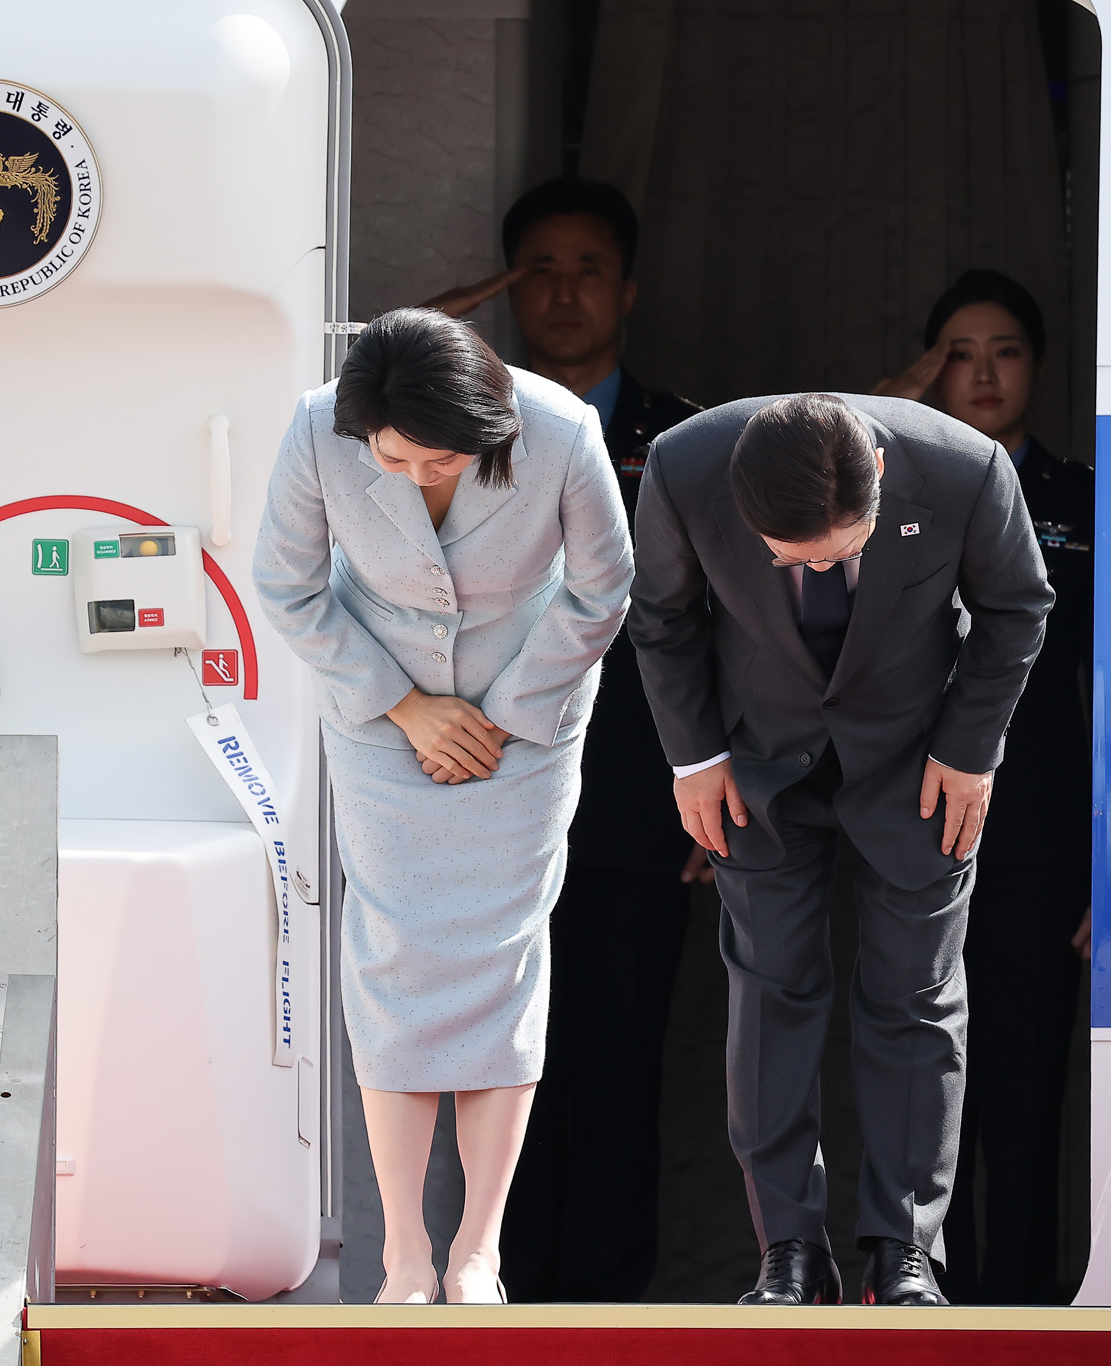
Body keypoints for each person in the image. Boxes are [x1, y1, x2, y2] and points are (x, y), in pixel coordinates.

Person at [629, 391, 1053, 1306]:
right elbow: (662, 617)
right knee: (772, 988)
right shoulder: (682, 467)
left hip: (919, 764)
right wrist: (693, 756)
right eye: (795, 558)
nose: (818, 567)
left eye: (840, 553)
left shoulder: (966, 468)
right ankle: (789, 1251)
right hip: (756, 763)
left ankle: (904, 1253)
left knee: (914, 994)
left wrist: (970, 749)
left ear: (885, 482)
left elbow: (1018, 607)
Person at [254, 308, 633, 1304]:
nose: (418, 474)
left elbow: (602, 589)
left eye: (440, 459)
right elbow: (286, 587)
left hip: (524, 718)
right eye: (396, 457)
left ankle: (476, 1249)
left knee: (501, 952)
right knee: (392, 955)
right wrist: (405, 704)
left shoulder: (559, 431)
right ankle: (401, 1255)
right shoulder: (314, 427)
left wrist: (503, 714)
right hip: (381, 716)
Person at [424, 178, 702, 1301]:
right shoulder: (449, 426)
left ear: (627, 290)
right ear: (506, 290)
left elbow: (721, 624)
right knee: (496, 1056)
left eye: (588, 268)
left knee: (619, 1061)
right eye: (538, 268)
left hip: (637, 804)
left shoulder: (681, 437)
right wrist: (429, 335)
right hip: (482, 796)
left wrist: (712, 782)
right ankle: (501, 1290)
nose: (564, 290)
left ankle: (606, 1303)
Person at [879, 269, 1094, 1304]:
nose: (981, 372)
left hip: (1039, 839)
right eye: (956, 352)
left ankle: (1022, 1301)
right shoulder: (888, 490)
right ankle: (926, 1296)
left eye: (1002, 349)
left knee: (1020, 1084)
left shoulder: (1084, 500)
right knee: (918, 1079)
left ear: (1038, 367)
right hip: (907, 833)